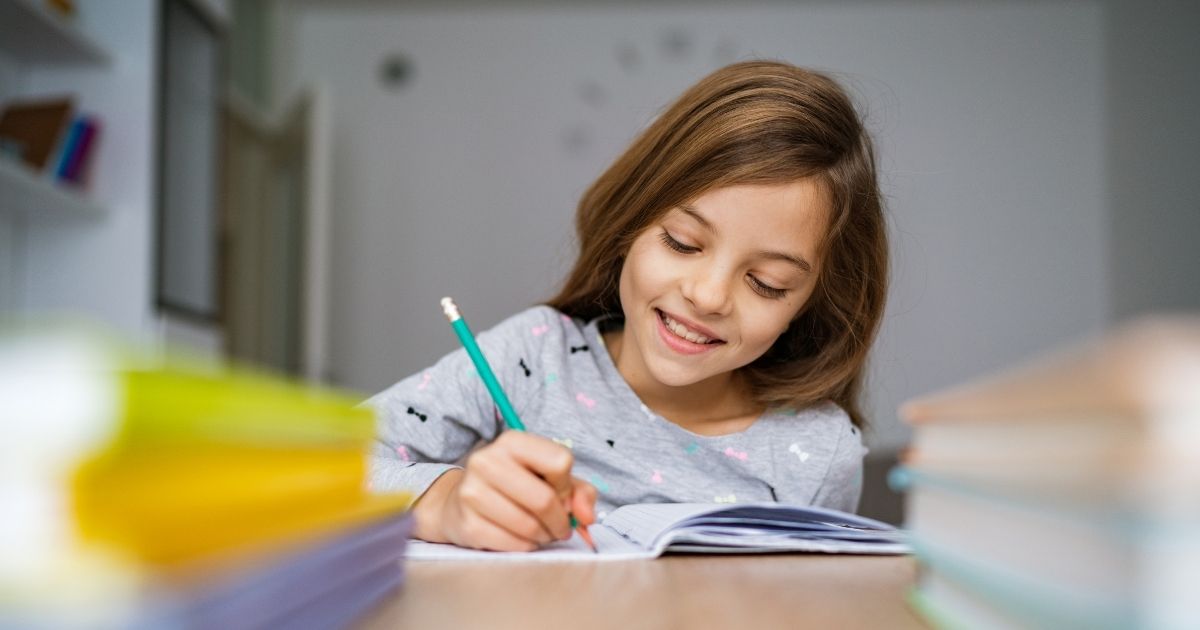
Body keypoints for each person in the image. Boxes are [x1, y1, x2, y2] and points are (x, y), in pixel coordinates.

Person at [367, 60, 889, 552]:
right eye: (683, 242)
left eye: (766, 283)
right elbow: (316, 462)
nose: (707, 296)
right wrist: (442, 502)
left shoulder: (819, 454)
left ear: (809, 304)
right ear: (628, 227)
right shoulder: (532, 357)